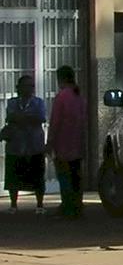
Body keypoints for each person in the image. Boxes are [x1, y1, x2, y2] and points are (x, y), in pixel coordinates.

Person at [4, 73, 49, 214]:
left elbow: (41, 117)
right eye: (27, 86)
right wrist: (28, 117)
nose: (30, 89)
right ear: (19, 88)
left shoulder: (39, 102)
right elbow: (10, 117)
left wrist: (21, 118)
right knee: (14, 176)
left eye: (32, 86)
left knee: (37, 176)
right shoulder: (12, 102)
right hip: (15, 146)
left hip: (34, 145)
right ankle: (13, 205)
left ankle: (40, 205)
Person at [46, 65, 86, 219]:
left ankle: (67, 207)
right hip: (77, 142)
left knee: (64, 177)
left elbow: (55, 122)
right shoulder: (79, 97)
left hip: (63, 143)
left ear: (60, 79)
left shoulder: (61, 97)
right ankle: (77, 206)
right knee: (76, 176)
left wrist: (50, 142)